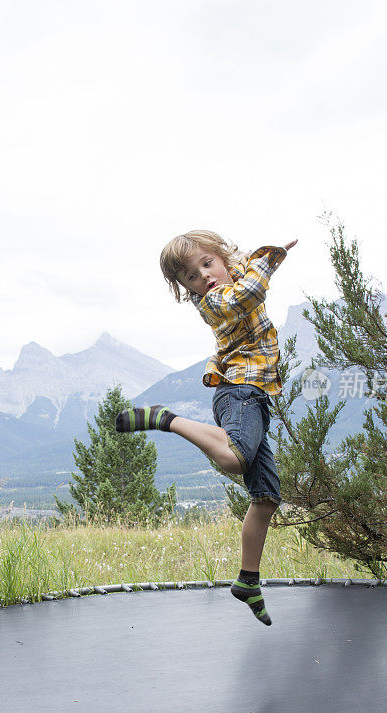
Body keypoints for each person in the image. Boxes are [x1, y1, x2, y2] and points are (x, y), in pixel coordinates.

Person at [115, 230, 295, 625]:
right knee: (234, 458)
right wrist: (271, 258)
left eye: (207, 264)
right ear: (187, 290)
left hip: (257, 398)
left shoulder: (238, 271)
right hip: (240, 392)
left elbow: (244, 268)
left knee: (266, 497)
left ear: (222, 256)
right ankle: (167, 419)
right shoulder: (214, 302)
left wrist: (261, 254)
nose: (204, 277)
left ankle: (248, 580)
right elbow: (248, 294)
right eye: (192, 277)